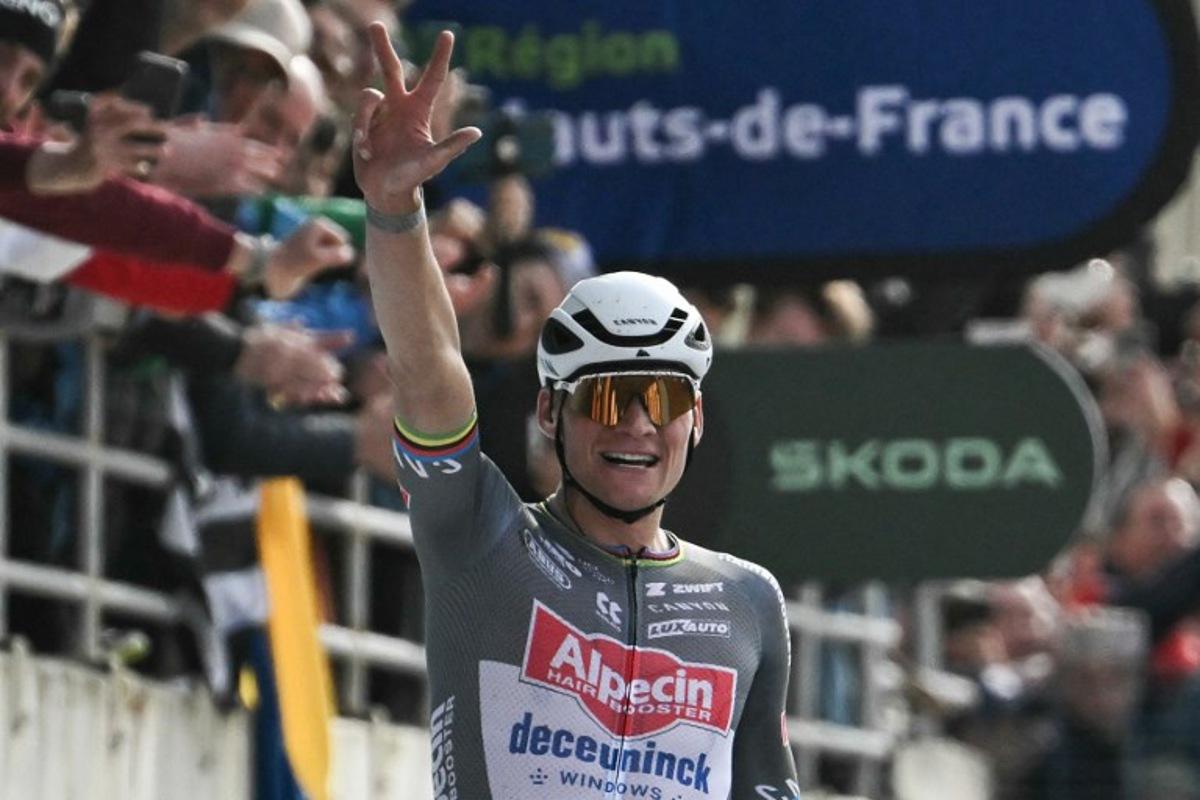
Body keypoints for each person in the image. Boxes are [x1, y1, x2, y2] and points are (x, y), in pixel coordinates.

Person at [354, 23, 799, 799]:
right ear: (549, 414)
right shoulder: (479, 535)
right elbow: (429, 375)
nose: (633, 424)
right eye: (602, 397)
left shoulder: (749, 600)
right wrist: (396, 209)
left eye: (659, 399)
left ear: (694, 419)